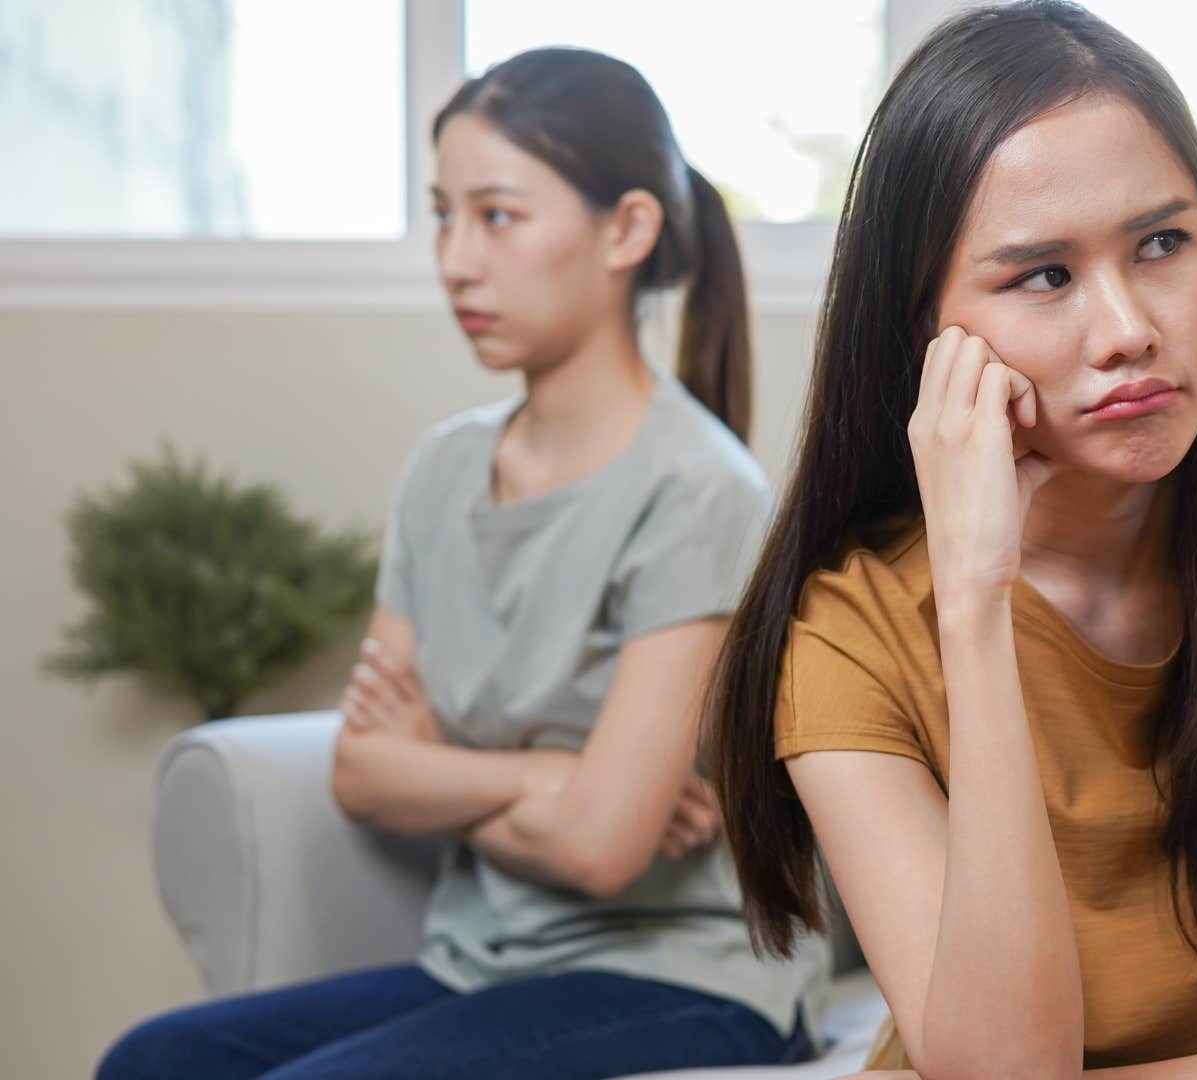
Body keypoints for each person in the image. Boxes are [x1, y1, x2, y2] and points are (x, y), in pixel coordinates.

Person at [708, 5, 1197, 1077]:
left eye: (1163, 243)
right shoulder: (850, 628)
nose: (1130, 330)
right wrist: (973, 604)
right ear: (926, 333)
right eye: (1045, 275)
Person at [99, 47, 828, 1080]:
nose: (454, 261)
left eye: (497, 216)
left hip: (683, 973)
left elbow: (602, 849)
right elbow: (362, 772)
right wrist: (548, 778)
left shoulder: (699, 488)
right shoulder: (442, 469)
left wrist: (443, 771)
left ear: (626, 230)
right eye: (443, 216)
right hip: (486, 962)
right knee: (153, 1060)